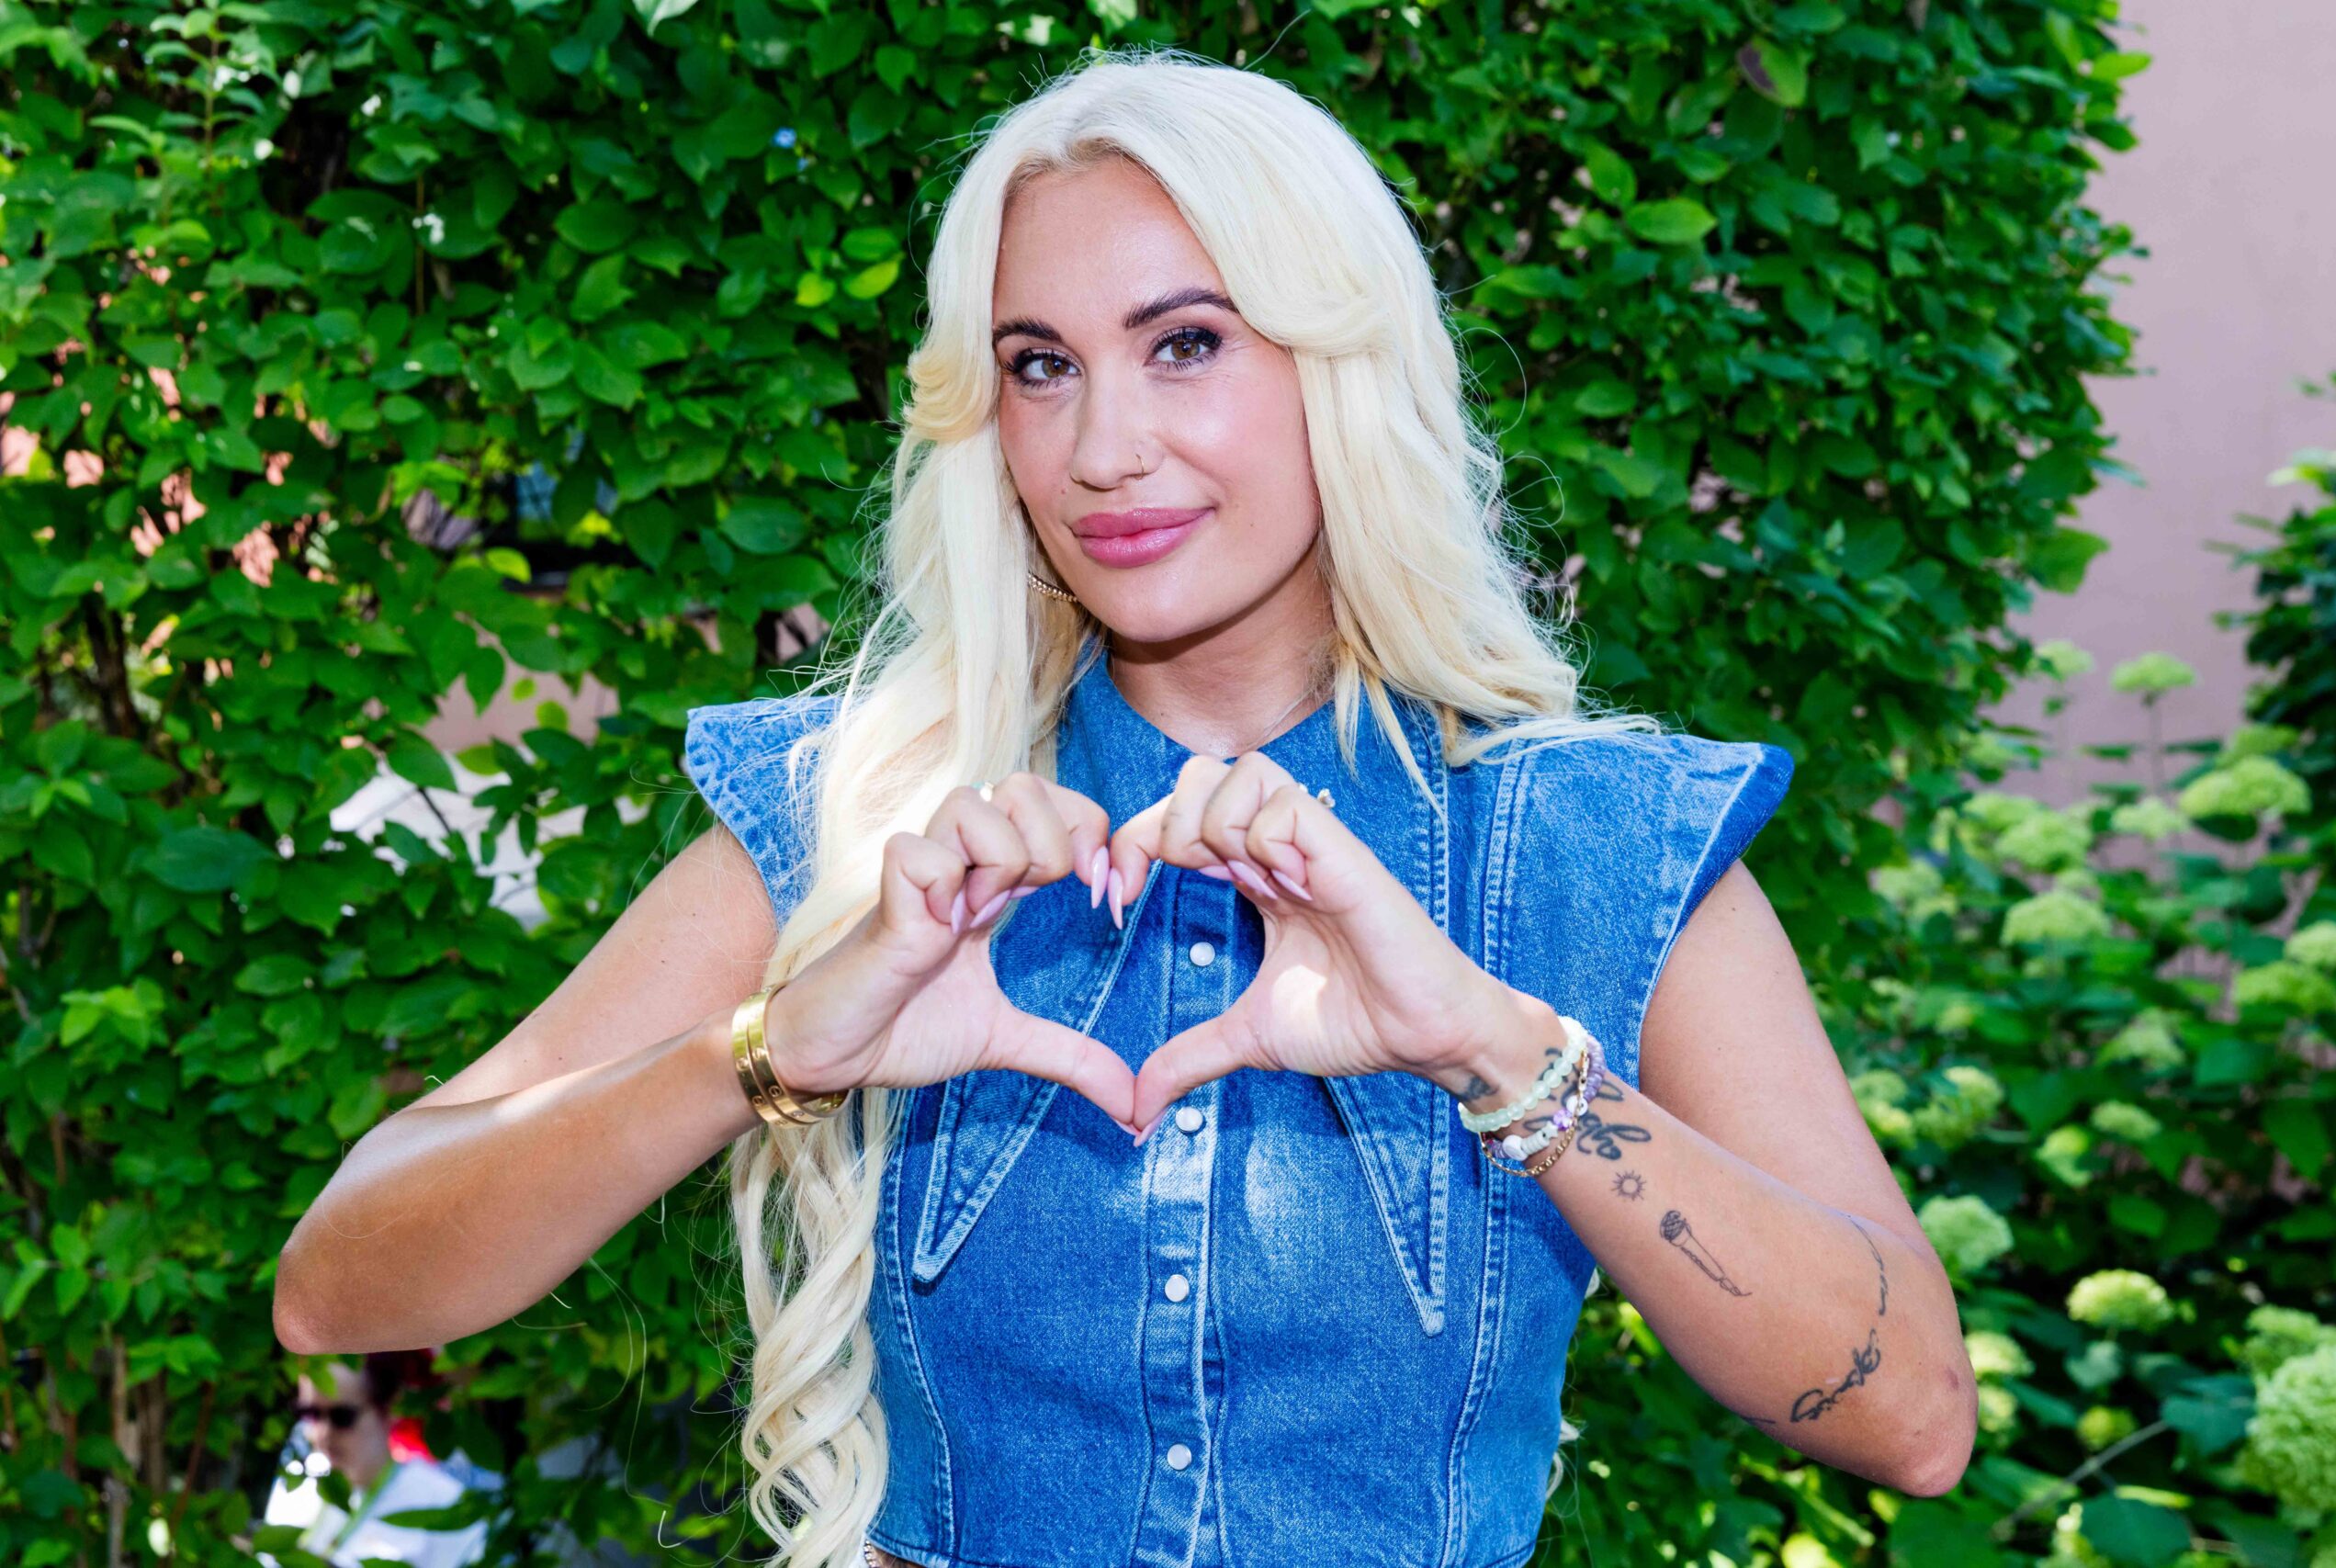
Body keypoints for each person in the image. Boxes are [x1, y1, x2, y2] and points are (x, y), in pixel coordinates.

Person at [274, 43, 1977, 1568]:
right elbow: (339, 1280)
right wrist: (771, 1051)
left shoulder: (1594, 838)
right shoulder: (868, 812)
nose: (1103, 448)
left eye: (1185, 344)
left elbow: (1910, 1416)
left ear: (1340, 364)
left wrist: (1492, 1047)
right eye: (1040, 364)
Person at [261, 1355, 489, 1568]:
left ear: (391, 1408)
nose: (323, 1433)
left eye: (342, 1416)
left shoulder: (445, 1503)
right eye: (311, 1414)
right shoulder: (296, 1491)